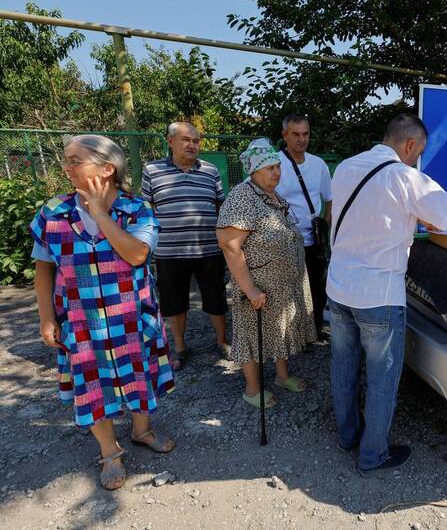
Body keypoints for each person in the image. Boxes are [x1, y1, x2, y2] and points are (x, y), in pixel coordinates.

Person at [327, 114, 447, 472]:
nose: (417, 160)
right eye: (419, 152)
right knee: (383, 377)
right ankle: (373, 454)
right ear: (410, 145)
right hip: (378, 295)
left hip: (339, 287)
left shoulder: (347, 167)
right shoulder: (406, 177)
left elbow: (363, 215)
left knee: (344, 367)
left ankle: (348, 435)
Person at [30, 135, 175, 491]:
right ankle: (109, 452)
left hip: (131, 318)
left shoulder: (136, 210)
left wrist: (98, 212)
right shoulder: (53, 213)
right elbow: (43, 268)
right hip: (80, 322)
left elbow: (137, 254)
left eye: (75, 160)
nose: (67, 168)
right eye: (66, 160)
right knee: (91, 385)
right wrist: (47, 318)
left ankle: (142, 431)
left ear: (107, 168)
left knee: (138, 374)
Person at [216, 139, 316, 408]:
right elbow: (229, 244)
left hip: (282, 284)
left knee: (279, 331)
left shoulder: (273, 196)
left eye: (278, 167)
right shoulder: (242, 196)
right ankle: (252, 388)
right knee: (253, 336)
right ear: (254, 170)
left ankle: (282, 376)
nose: (277, 173)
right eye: (270, 168)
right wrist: (249, 289)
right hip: (258, 285)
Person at [141, 122, 230, 369]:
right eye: (186, 140)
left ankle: (222, 341)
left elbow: (220, 206)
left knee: (216, 296)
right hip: (169, 251)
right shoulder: (152, 170)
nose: (192, 145)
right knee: (173, 301)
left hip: (208, 249)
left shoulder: (210, 171)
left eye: (196, 140)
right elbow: (147, 208)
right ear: (171, 141)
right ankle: (179, 347)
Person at [276, 114, 332, 337]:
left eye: (305, 134)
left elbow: (330, 199)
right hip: (284, 239)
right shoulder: (274, 163)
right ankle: (293, 332)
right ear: (285, 135)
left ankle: (315, 328)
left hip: (313, 239)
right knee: (290, 289)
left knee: (318, 288)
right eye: (296, 134)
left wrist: (325, 225)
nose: (301, 139)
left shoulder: (318, 165)